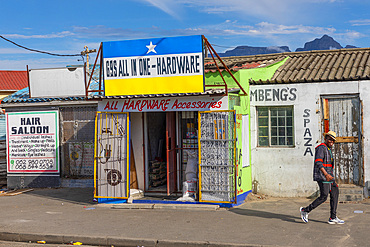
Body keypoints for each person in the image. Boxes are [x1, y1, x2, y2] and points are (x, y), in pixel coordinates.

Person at [300, 131, 345, 224]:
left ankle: (333, 217)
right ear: (325, 139)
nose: (331, 141)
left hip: (329, 177)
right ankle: (305, 211)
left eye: (333, 140)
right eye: (329, 139)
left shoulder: (328, 149)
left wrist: (330, 176)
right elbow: (318, 162)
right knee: (323, 196)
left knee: (335, 192)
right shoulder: (321, 148)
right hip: (323, 176)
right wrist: (326, 175)